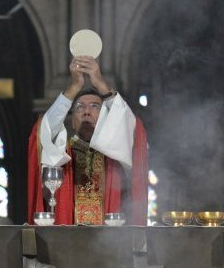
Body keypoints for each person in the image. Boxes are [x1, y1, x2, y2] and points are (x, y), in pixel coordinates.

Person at [28, 55, 148, 225]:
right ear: (72, 119)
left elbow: (132, 127)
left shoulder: (117, 153)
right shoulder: (59, 155)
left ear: (107, 117)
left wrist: (100, 84)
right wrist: (74, 87)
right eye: (79, 107)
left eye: (94, 106)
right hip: (67, 239)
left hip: (110, 243)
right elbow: (43, 131)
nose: (86, 112)